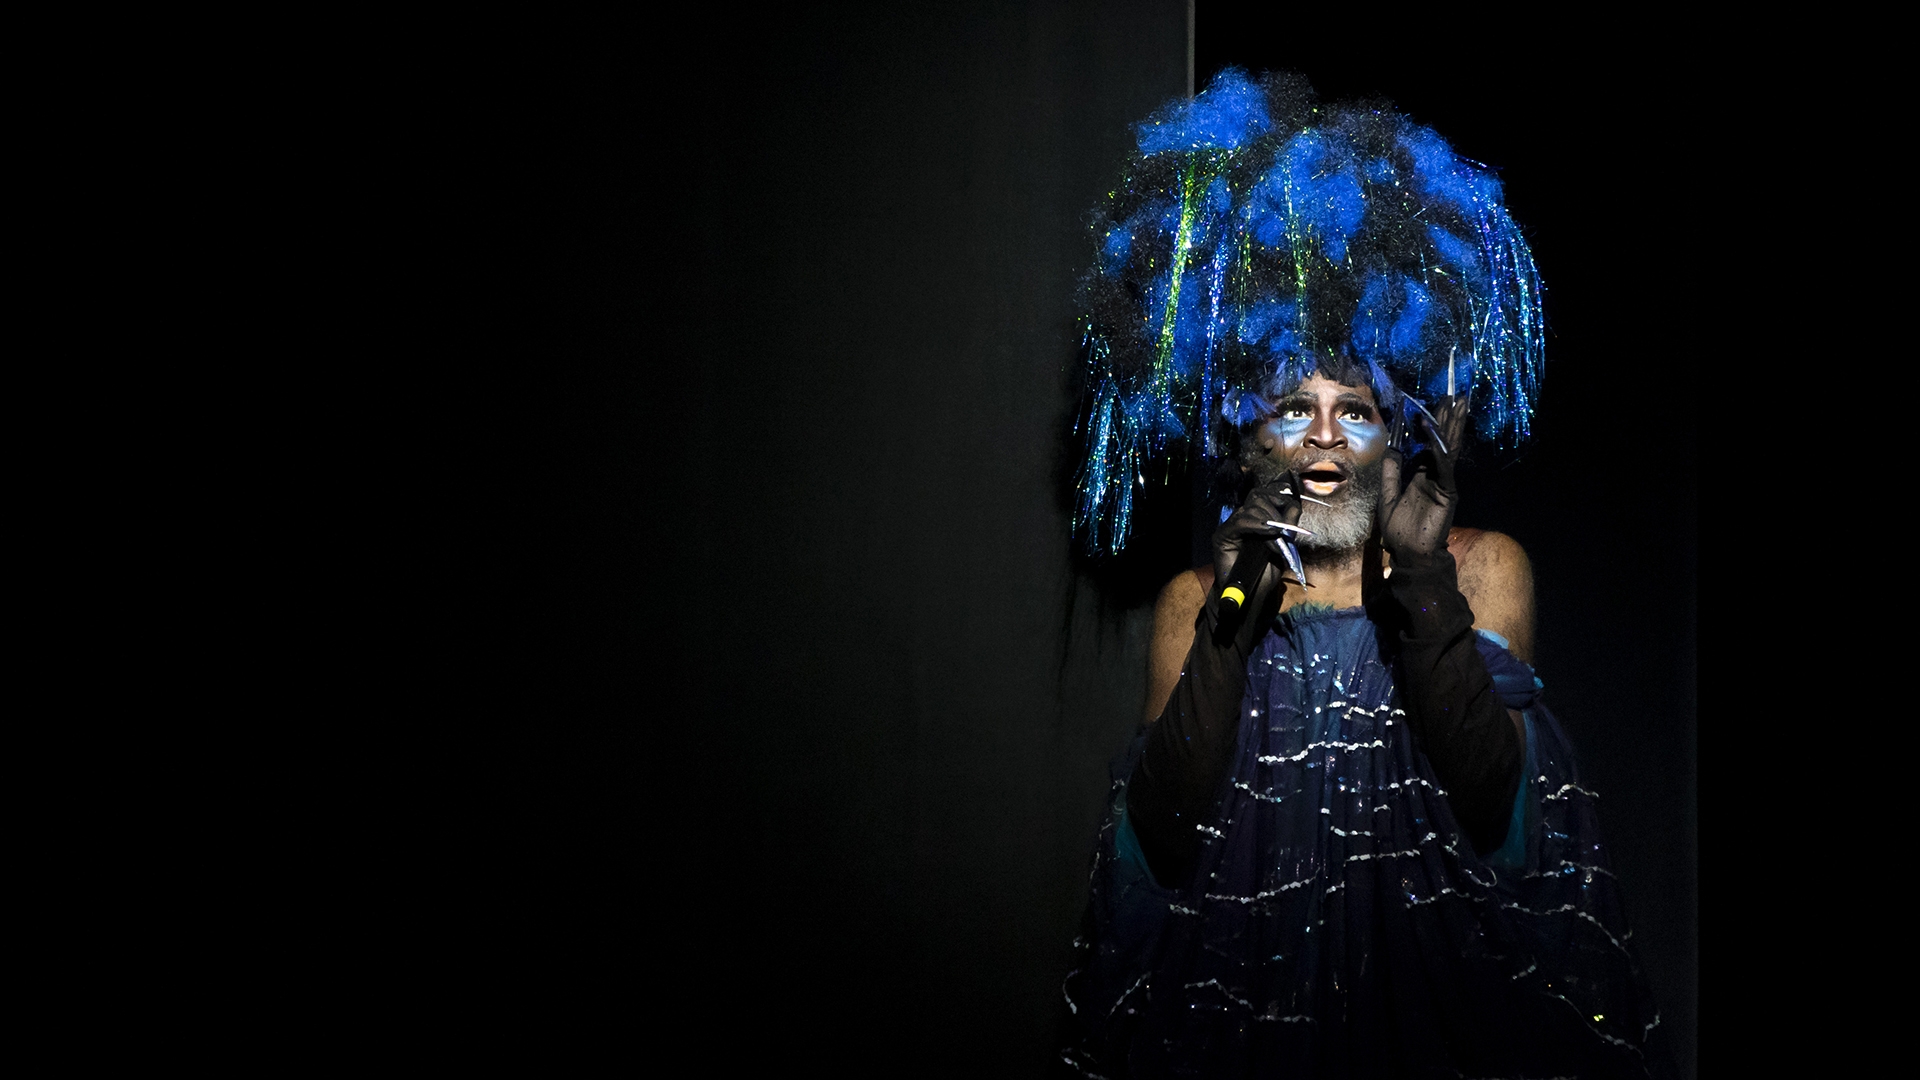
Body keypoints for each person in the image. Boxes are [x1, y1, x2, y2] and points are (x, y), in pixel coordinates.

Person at [1059, 70, 1670, 1078]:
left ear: (1400, 429)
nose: (1329, 442)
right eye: (1295, 409)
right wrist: (1237, 607)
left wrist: (1422, 570)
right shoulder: (1199, 603)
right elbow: (1161, 837)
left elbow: (1495, 807)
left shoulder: (1483, 569)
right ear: (1243, 429)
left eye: (1361, 409)